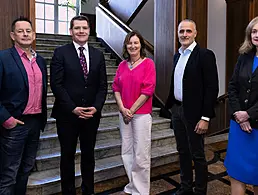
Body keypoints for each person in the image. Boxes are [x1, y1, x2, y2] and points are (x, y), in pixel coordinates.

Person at [50, 15, 107, 195]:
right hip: (67, 115)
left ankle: (88, 190)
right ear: (71, 31)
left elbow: (103, 86)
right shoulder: (60, 52)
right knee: (67, 156)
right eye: (77, 28)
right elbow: (56, 85)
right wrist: (73, 108)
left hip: (91, 116)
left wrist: (96, 107)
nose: (81, 31)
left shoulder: (98, 55)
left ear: (89, 31)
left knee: (88, 156)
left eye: (84, 28)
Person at [165, 19, 219, 195]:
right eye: (181, 31)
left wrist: (205, 117)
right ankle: (186, 187)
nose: (184, 35)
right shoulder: (177, 55)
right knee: (182, 151)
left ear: (195, 33)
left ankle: (200, 191)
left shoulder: (205, 55)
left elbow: (212, 88)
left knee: (197, 154)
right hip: (178, 110)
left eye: (188, 31)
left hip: (196, 115)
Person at [0, 16, 47, 195]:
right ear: (13, 35)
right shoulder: (3, 58)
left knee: (25, 170)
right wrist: (6, 119)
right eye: (20, 31)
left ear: (33, 34)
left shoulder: (40, 61)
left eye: (28, 31)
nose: (25, 34)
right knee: (8, 174)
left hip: (35, 123)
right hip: (14, 124)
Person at [112, 30, 156, 195]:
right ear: (126, 45)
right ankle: (132, 185)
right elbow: (116, 88)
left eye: (136, 42)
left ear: (141, 45)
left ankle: (141, 191)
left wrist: (131, 110)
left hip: (141, 115)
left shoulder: (148, 64)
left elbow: (148, 90)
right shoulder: (122, 65)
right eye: (129, 43)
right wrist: (122, 108)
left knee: (141, 153)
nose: (132, 46)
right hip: (124, 114)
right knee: (126, 151)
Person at [224, 16, 258, 195]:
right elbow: (232, 86)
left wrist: (249, 115)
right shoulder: (244, 57)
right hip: (239, 127)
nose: (256, 34)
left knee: (257, 175)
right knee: (236, 173)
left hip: (257, 129)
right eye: (254, 31)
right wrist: (239, 113)